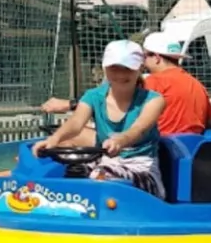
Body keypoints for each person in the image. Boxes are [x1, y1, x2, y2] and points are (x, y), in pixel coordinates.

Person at [34, 40, 166, 197]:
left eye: (127, 68)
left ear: (139, 68)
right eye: (114, 68)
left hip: (141, 169)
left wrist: (120, 141)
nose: (120, 74)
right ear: (105, 67)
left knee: (101, 176)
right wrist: (54, 139)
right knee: (73, 170)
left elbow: (139, 129)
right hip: (103, 161)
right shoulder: (93, 96)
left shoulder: (153, 100)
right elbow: (76, 123)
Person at [141, 32, 211, 136]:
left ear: (156, 57)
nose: (143, 61)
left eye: (144, 56)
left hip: (162, 148)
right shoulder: (197, 85)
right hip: (192, 147)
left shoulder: (152, 82)